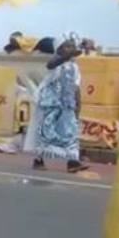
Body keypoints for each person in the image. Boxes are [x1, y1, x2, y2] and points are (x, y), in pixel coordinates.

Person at [24, 36, 89, 173]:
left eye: (72, 46)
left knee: (70, 132)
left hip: (67, 104)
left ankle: (73, 162)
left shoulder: (74, 67)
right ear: (59, 50)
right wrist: (69, 55)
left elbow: (76, 86)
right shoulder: (55, 63)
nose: (70, 49)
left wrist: (78, 104)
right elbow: (50, 65)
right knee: (46, 132)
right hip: (50, 104)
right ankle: (38, 160)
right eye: (67, 46)